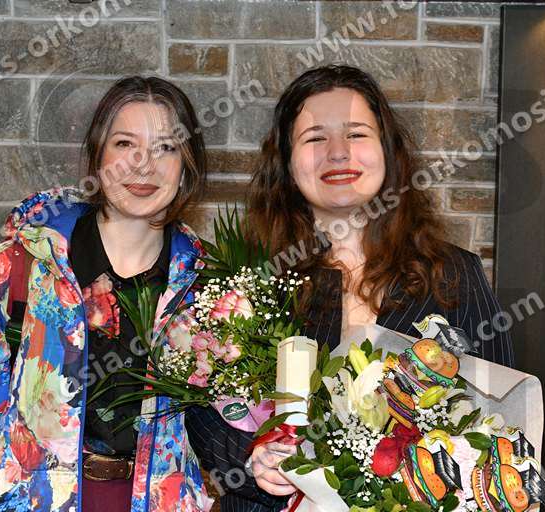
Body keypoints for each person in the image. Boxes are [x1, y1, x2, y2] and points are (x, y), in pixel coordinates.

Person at [184, 65, 516, 512]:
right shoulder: (247, 280)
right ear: (287, 163)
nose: (338, 153)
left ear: (388, 151)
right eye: (315, 138)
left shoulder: (453, 275)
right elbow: (198, 410)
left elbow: (501, 417)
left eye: (356, 134)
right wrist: (251, 459)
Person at [0, 76, 213, 512]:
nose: (143, 165)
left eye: (166, 147)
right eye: (124, 144)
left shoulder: (205, 286)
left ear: (187, 165)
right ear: (98, 155)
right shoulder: (24, 263)